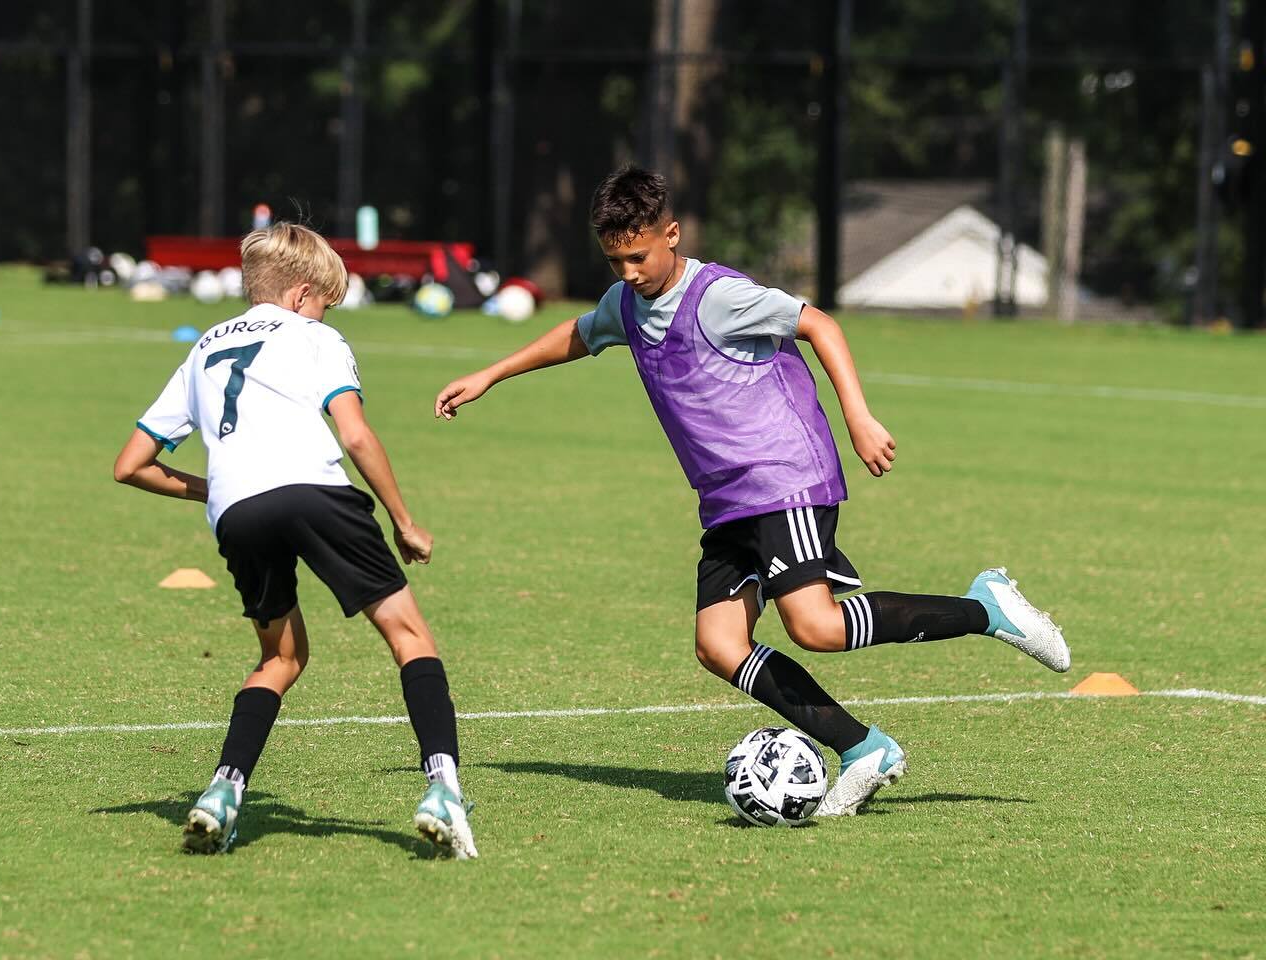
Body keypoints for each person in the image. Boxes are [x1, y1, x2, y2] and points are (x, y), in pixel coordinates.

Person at [434, 166, 1068, 817]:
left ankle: (986, 608)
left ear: (672, 234)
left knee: (815, 625)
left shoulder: (720, 297)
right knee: (719, 645)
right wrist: (491, 374)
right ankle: (864, 748)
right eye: (614, 260)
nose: (627, 272)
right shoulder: (626, 304)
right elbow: (580, 333)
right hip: (728, 498)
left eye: (638, 256)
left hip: (783, 475)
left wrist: (858, 416)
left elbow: (818, 324)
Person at [114, 222, 477, 857]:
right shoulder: (316, 336)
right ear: (301, 294)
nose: (327, 313)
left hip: (237, 510)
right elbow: (356, 436)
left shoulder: (201, 347)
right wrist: (404, 522)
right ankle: (443, 788)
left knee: (280, 659)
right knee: (409, 635)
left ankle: (223, 791)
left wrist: (220, 487)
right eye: (326, 302)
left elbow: (131, 464)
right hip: (315, 492)